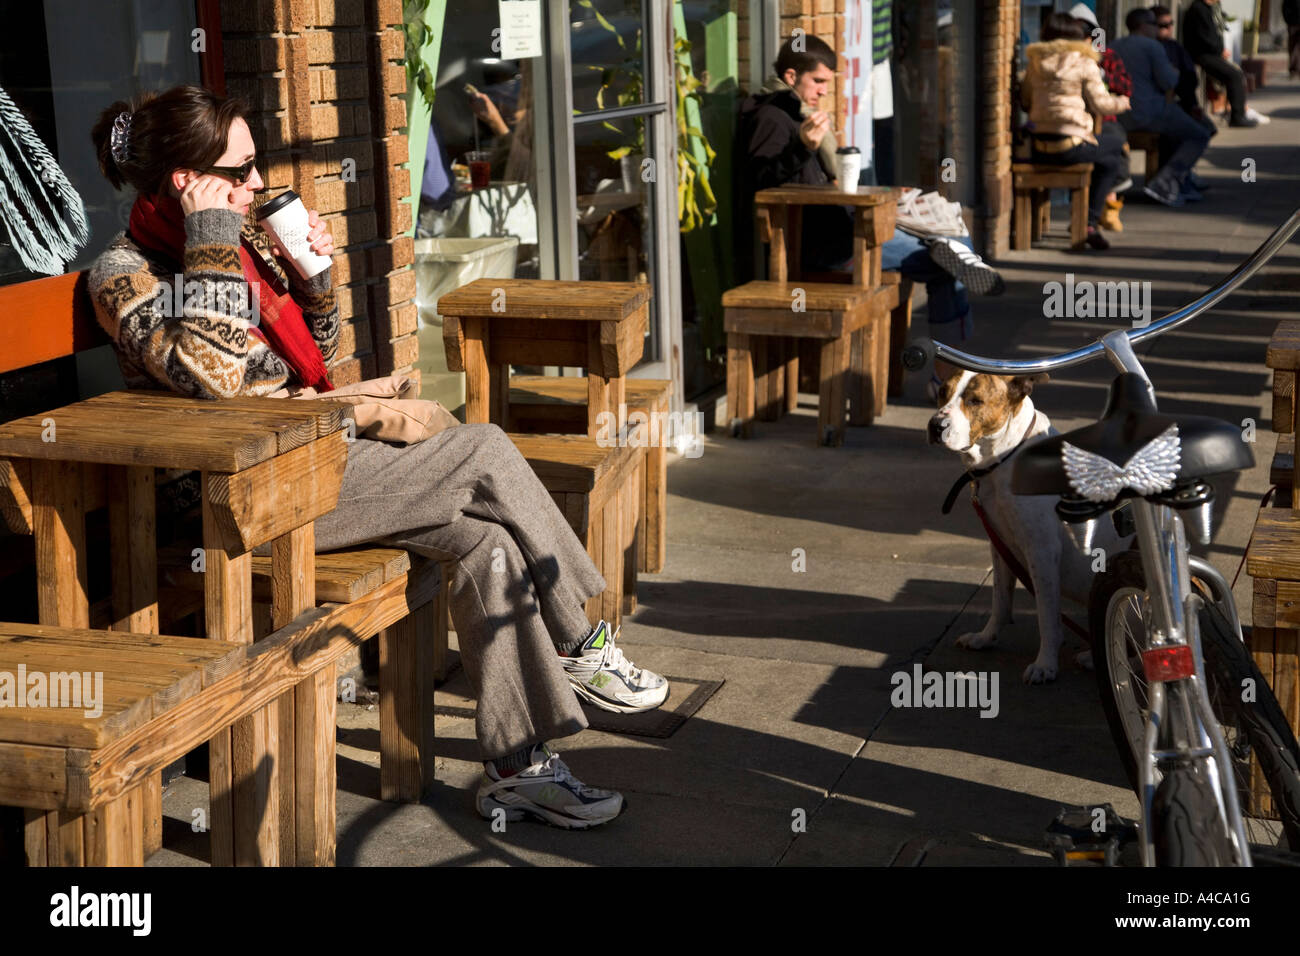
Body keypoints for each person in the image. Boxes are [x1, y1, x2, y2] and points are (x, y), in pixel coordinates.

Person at [87, 85, 667, 830]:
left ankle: (520, 767)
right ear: (187, 183)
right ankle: (583, 643)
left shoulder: (239, 246)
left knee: (487, 544)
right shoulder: (124, 273)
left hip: (318, 460)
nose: (259, 184)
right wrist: (210, 233)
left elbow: (312, 360)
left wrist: (317, 285)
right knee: (483, 447)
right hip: (232, 499)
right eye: (242, 171)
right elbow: (211, 376)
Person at [736, 33, 1003, 366]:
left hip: (841, 232)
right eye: (817, 81)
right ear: (791, 77)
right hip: (828, 247)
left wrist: (884, 192)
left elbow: (817, 178)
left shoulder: (795, 112)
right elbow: (761, 184)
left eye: (827, 83)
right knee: (945, 266)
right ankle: (953, 374)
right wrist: (802, 147)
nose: (823, 90)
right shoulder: (773, 118)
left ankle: (956, 259)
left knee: (947, 244)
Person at [1021, 12, 1131, 250]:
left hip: (1038, 145)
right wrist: (1122, 102)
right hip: (1072, 145)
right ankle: (1089, 222)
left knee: (1105, 154)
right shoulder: (1084, 62)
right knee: (1114, 150)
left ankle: (1087, 219)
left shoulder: (1035, 62)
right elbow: (1101, 104)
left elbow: (1026, 100)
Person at [1110, 7, 1210, 207]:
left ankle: (1179, 181)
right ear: (1142, 25)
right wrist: (1172, 71)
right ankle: (1166, 182)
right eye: (1154, 24)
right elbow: (1169, 81)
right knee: (1200, 134)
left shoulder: (1114, 45)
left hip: (1119, 116)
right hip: (1149, 112)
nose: (1158, 28)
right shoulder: (1153, 47)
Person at [1182, 0, 1257, 127]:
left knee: (1236, 73)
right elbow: (1205, 37)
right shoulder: (1199, 9)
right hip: (1203, 55)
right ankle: (1237, 116)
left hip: (1210, 53)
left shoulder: (1207, 8)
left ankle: (1238, 112)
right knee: (1234, 75)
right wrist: (1219, 50)